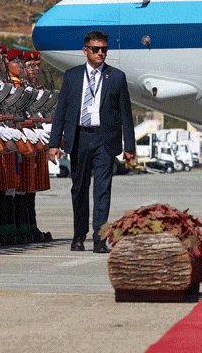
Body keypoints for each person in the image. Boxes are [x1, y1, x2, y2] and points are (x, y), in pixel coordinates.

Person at [48, 31, 136, 253]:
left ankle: (100, 238)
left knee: (103, 189)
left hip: (105, 139)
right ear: (85, 50)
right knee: (79, 188)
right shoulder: (72, 76)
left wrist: (130, 146)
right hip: (79, 137)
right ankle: (79, 236)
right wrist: (53, 142)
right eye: (96, 49)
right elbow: (62, 111)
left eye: (104, 49)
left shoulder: (116, 76)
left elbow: (126, 113)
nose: (101, 53)